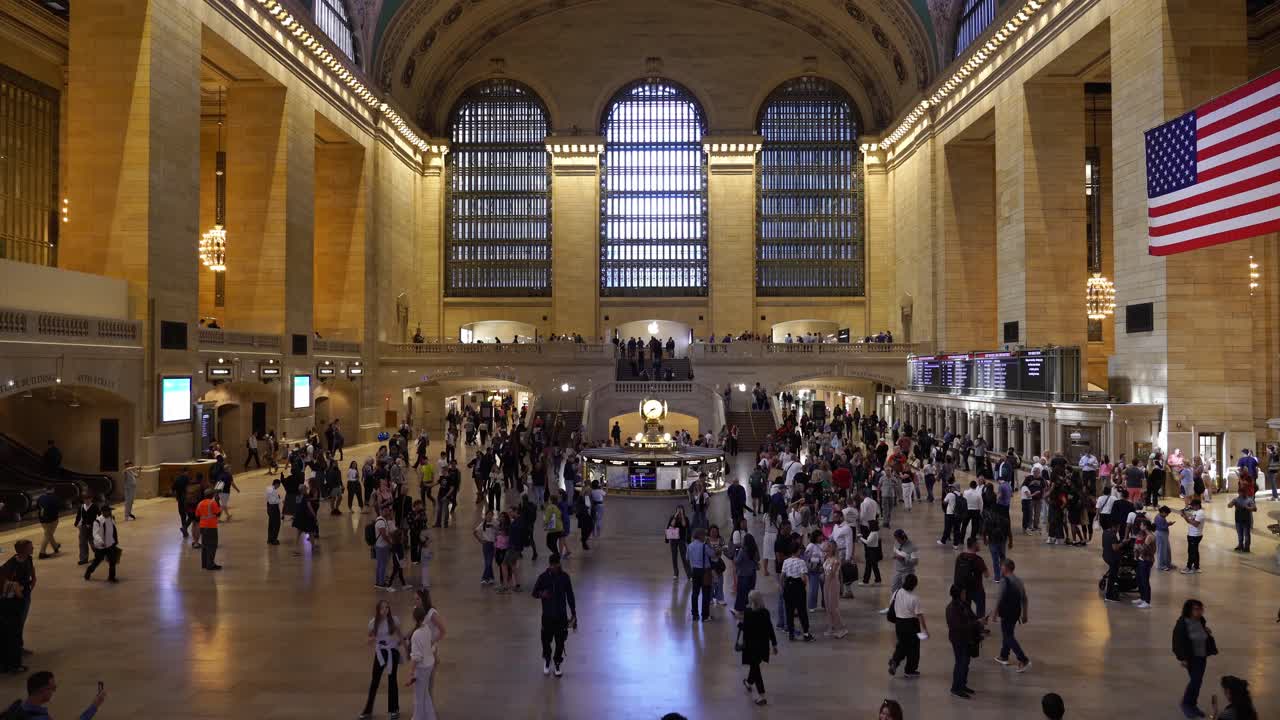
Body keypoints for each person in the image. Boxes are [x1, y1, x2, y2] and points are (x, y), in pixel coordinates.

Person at [531, 553, 576, 677]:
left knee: (560, 641)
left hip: (561, 616)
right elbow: (534, 593)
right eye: (552, 566)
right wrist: (542, 594)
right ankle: (547, 659)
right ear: (549, 565)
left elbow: (570, 595)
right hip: (547, 616)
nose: (554, 568)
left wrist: (573, 613)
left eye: (556, 565)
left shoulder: (565, 577)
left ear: (559, 564)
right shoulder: (543, 577)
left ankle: (557, 662)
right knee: (546, 640)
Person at [1172, 598, 1217, 719]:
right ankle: (1186, 703)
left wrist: (1205, 630)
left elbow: (1199, 631)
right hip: (1191, 657)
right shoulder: (1182, 624)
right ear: (1189, 610)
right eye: (1196, 609)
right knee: (1196, 681)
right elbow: (1177, 642)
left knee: (1197, 681)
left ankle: (1192, 704)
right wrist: (1182, 658)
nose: (1200, 612)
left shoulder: (1200, 620)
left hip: (1202, 656)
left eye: (1201, 609)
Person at [359, 599, 402, 720]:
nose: (385, 610)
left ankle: (394, 710)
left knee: (392, 680)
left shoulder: (394, 620)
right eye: (382, 608)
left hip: (392, 651)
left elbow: (400, 635)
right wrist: (371, 639)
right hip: (380, 653)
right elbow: (369, 638)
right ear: (378, 610)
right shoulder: (373, 623)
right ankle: (368, 710)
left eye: (387, 607)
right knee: (375, 681)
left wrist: (403, 645)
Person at [10, 671, 107, 720]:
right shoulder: (40, 718)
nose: (54, 691)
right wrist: (95, 705)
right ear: (42, 690)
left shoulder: (17, 706)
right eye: (52, 688)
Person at [737, 589, 777, 706]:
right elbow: (770, 629)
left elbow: (745, 628)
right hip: (763, 646)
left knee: (756, 669)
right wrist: (774, 644)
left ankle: (762, 695)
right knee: (754, 666)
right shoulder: (765, 612)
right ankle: (749, 683)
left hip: (751, 646)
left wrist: (738, 622)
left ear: (751, 601)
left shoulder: (748, 613)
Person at [990, 558, 1030, 672]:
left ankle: (1023, 659)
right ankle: (1004, 656)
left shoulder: (1004, 581)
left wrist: (994, 613)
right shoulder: (1019, 581)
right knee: (1008, 633)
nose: (1000, 568)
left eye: (1001, 566)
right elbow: (1024, 599)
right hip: (1016, 612)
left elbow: (999, 598)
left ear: (1005, 568)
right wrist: (1025, 614)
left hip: (1006, 613)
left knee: (1008, 636)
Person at [946, 583, 983, 698]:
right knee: (960, 663)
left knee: (965, 663)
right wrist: (976, 623)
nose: (965, 594)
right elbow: (959, 626)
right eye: (963, 593)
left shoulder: (964, 604)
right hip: (958, 640)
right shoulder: (952, 609)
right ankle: (956, 688)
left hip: (966, 639)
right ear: (958, 594)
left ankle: (962, 684)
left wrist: (979, 621)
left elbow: (972, 617)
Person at [887, 573, 927, 678]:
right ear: (914, 585)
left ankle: (895, 661)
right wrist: (925, 629)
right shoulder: (914, 598)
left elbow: (891, 604)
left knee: (902, 644)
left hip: (899, 624)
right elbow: (919, 615)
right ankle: (909, 670)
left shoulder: (897, 592)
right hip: (912, 625)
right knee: (914, 648)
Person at [1, 541, 35, 659]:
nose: (33, 548)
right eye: (30, 547)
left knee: (21, 622)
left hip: (25, 594)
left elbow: (32, 572)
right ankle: (15, 648)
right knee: (17, 623)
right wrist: (16, 589)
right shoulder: (12, 563)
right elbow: (2, 577)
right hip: (16, 598)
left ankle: (18, 647)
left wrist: (32, 583)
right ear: (23, 550)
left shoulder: (28, 559)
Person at [780, 542, 813, 641]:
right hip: (798, 586)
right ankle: (806, 633)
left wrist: (783, 586)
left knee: (789, 611)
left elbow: (782, 576)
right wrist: (804, 585)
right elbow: (803, 577)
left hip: (788, 586)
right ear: (798, 550)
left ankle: (791, 634)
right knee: (802, 610)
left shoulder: (786, 561)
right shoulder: (801, 562)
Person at [83, 505, 119, 583]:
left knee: (112, 561)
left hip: (110, 544)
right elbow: (95, 534)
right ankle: (89, 571)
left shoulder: (111, 518)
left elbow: (112, 530)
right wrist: (100, 542)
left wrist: (114, 541)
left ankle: (111, 577)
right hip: (101, 546)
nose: (110, 512)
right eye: (108, 511)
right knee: (97, 561)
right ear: (103, 512)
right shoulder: (98, 521)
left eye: (110, 511)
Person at [732, 519, 759, 616]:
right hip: (752, 574)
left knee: (741, 593)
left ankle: (739, 610)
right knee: (750, 592)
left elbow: (737, 561)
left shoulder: (742, 550)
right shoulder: (755, 550)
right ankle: (749, 608)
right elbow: (758, 559)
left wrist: (734, 555)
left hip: (743, 574)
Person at [820, 540, 846, 638]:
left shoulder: (836, 560)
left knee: (833, 607)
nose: (827, 548)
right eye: (827, 546)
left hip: (833, 584)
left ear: (833, 548)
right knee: (827, 607)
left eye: (829, 546)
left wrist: (826, 582)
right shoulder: (827, 558)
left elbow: (832, 574)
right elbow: (825, 572)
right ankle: (831, 627)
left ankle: (841, 629)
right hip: (826, 583)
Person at [687, 527, 714, 622]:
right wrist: (709, 545)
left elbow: (687, 558)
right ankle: (705, 616)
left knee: (695, 593)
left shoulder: (690, 546)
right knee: (706, 593)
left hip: (694, 571)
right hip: (705, 572)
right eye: (704, 535)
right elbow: (712, 554)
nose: (705, 537)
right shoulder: (704, 546)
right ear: (700, 536)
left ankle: (695, 615)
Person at [195, 489, 222, 571]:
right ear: (212, 495)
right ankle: (210, 564)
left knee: (205, 545)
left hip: (202, 527)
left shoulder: (200, 503)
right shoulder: (212, 503)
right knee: (212, 545)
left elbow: (197, 515)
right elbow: (218, 513)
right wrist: (218, 502)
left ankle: (205, 564)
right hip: (211, 527)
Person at [1227, 486, 1256, 553]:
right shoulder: (1236, 500)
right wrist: (1230, 504)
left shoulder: (1249, 500)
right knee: (1240, 534)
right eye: (1241, 492)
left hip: (1246, 521)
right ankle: (1240, 545)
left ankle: (1247, 547)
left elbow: (1255, 508)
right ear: (1239, 493)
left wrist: (1248, 508)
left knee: (1247, 535)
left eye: (1244, 492)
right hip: (1238, 520)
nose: (1242, 494)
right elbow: (1229, 505)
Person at [72, 494, 98, 565]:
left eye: (88, 499)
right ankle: (83, 558)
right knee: (82, 543)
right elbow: (78, 516)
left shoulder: (94, 506)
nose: (86, 500)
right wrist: (76, 524)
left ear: (91, 499)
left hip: (93, 527)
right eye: (85, 499)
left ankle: (99, 555)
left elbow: (99, 515)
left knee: (93, 542)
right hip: (83, 527)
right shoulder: (81, 507)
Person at [35, 490, 60, 559]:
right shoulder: (55, 498)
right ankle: (42, 552)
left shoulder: (41, 497)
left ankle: (55, 546)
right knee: (48, 534)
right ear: (53, 489)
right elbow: (58, 507)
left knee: (48, 533)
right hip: (51, 518)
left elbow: (37, 507)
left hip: (42, 519)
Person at [1181, 498, 1204, 574]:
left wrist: (1186, 517)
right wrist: (1184, 516)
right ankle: (1196, 567)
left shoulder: (1200, 513)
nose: (1192, 507)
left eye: (1193, 505)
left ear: (1197, 505)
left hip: (1195, 535)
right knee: (1195, 551)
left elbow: (1196, 524)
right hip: (1192, 534)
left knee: (1191, 552)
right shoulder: (1195, 512)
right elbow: (1189, 521)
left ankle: (1189, 567)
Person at [665, 507, 690, 579]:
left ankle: (689, 574)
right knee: (674, 557)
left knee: (684, 557)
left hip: (681, 539)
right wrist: (675, 516)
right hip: (673, 539)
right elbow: (672, 525)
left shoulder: (685, 518)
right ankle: (676, 573)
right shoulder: (673, 517)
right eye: (678, 509)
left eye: (681, 509)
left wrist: (682, 515)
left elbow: (684, 525)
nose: (679, 511)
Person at [860, 519, 882, 585]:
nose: (868, 526)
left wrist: (860, 538)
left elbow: (867, 542)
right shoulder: (874, 532)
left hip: (872, 551)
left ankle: (871, 580)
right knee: (871, 566)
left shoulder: (873, 533)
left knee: (871, 566)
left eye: (869, 525)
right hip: (872, 551)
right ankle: (869, 580)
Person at [1155, 505, 1178, 571]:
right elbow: (1162, 527)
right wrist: (1169, 524)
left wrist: (1167, 523)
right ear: (1162, 512)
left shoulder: (1161, 517)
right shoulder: (1159, 518)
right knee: (1161, 550)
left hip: (1164, 535)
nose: (1167, 515)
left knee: (1167, 550)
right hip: (1160, 535)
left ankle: (1168, 563)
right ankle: (1161, 565)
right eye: (1166, 513)